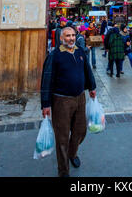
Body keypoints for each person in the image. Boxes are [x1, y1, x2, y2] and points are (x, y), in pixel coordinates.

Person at [40, 26, 96, 178]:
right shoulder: (54, 55)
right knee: (62, 137)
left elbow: (87, 70)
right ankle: (63, 171)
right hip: (61, 101)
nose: (71, 38)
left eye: (73, 35)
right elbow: (46, 80)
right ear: (61, 38)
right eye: (67, 36)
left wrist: (92, 87)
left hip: (80, 98)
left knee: (80, 131)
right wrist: (45, 104)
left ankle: (72, 153)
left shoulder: (79, 51)